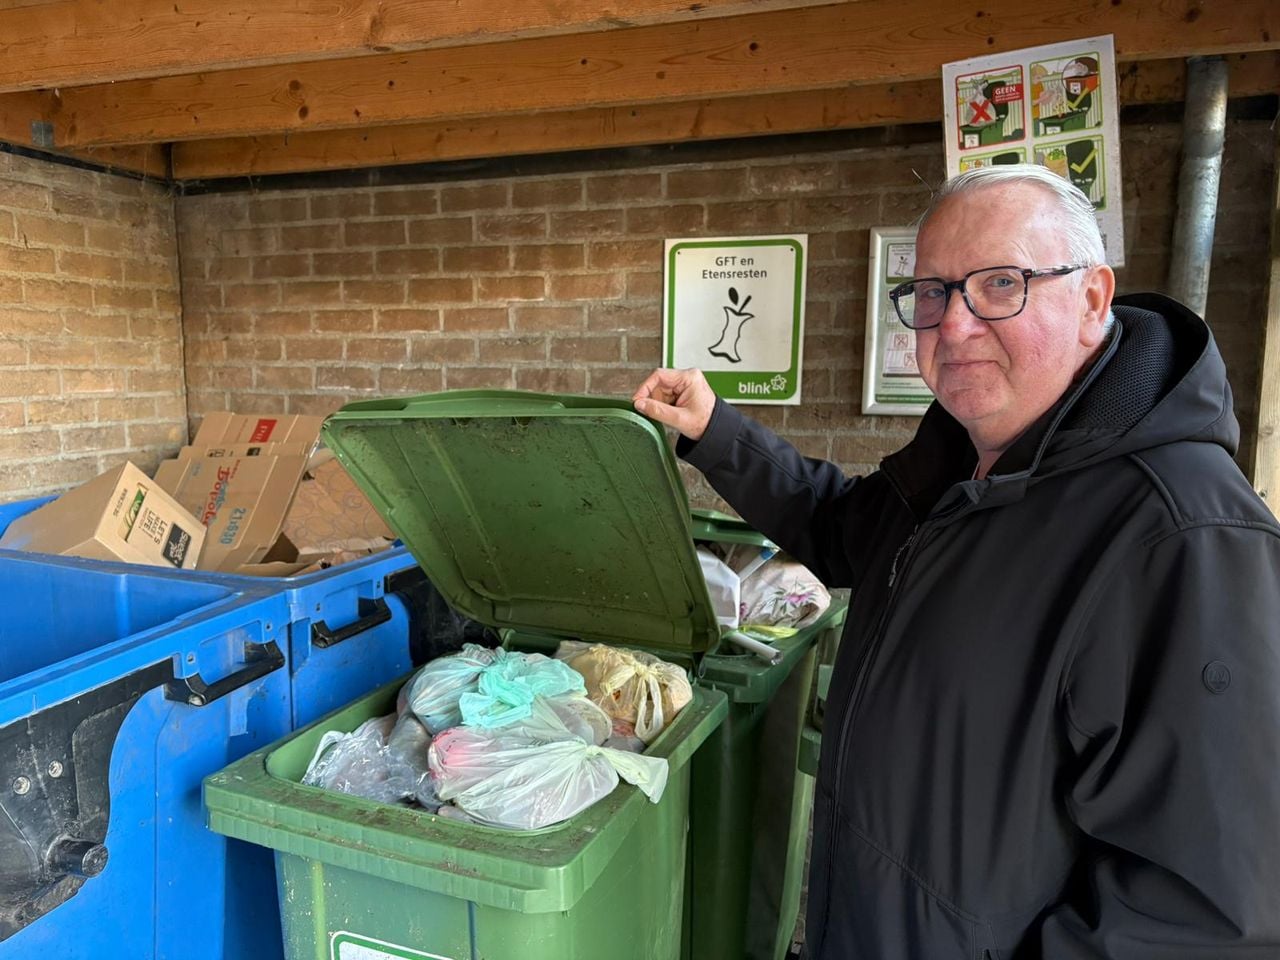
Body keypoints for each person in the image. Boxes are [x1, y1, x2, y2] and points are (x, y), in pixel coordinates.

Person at [633, 164, 1280, 958]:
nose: (956, 325)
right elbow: (841, 528)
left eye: (1001, 284)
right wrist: (716, 432)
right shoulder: (964, 461)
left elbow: (1206, 919)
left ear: (1092, 299)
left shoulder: (1183, 537)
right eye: (933, 293)